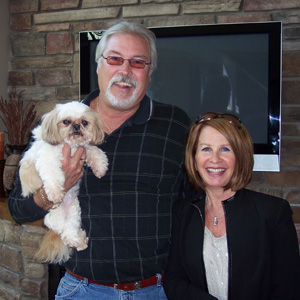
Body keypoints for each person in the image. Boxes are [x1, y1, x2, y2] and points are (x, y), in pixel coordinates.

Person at [8, 21, 191, 299]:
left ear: (149, 73)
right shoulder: (58, 126)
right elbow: (17, 209)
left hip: (154, 290)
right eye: (115, 59)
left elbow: (191, 200)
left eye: (138, 62)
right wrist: (52, 192)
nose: (125, 70)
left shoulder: (174, 124)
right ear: (98, 66)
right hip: (80, 289)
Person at [163, 112, 300, 300]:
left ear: (240, 156)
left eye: (225, 149)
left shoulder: (273, 212)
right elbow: (174, 280)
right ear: (194, 159)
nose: (215, 159)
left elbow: (288, 289)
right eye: (205, 149)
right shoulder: (183, 211)